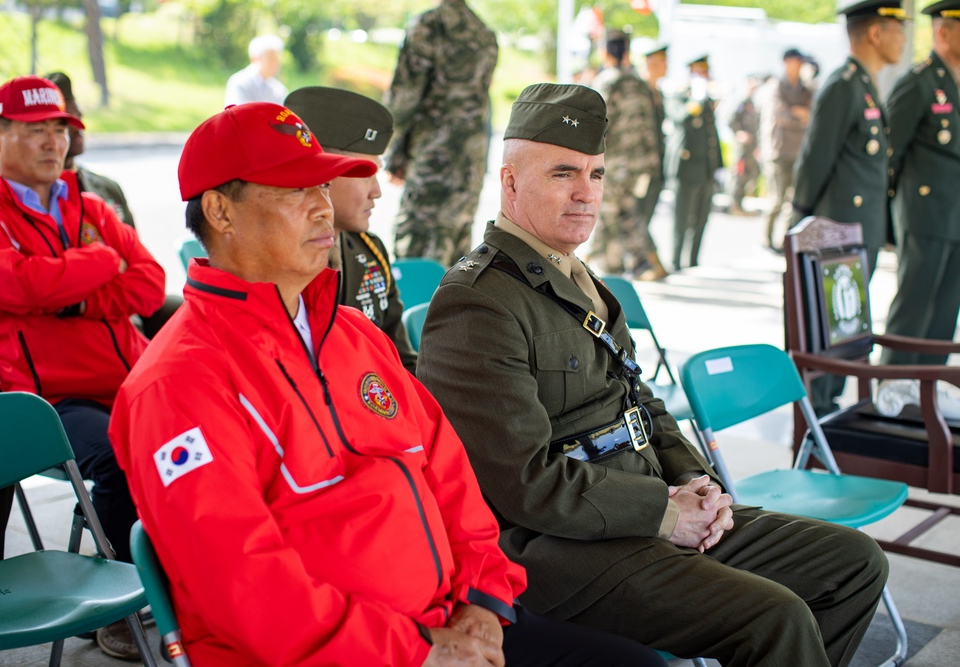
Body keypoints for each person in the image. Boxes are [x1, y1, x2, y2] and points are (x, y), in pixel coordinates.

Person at [108, 101, 665, 667]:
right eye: (293, 190)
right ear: (220, 212)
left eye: (322, 187)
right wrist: (418, 652)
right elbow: (243, 584)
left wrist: (482, 604)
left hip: (447, 622)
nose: (322, 208)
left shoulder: (353, 334)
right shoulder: (177, 382)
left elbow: (451, 478)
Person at [416, 82, 889, 666]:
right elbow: (524, 483)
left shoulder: (580, 278)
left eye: (597, 174)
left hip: (646, 510)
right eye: (564, 174)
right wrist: (665, 513)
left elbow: (642, 404)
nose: (586, 193)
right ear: (511, 181)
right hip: (561, 550)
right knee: (776, 617)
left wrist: (700, 486)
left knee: (854, 562)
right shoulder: (477, 302)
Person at [0, 75, 166, 659]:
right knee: (121, 457)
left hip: (132, 380)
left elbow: (147, 285)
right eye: (36, 129)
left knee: (207, 439)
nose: (53, 142)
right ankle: (119, 607)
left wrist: (68, 298)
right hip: (54, 399)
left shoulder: (88, 204)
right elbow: (13, 282)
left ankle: (181, 580)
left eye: (60, 129)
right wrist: (99, 262)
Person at [791, 0, 908, 415]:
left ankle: (833, 410)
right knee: (830, 328)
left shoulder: (866, 84)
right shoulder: (843, 85)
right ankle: (821, 416)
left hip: (861, 229)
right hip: (835, 229)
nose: (905, 37)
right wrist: (799, 214)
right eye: (898, 28)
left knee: (848, 327)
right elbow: (816, 158)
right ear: (876, 33)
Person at [285, 86, 418, 373]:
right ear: (323, 171)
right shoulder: (277, 261)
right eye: (365, 173)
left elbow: (400, 363)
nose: (377, 192)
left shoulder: (370, 251)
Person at [44, 70, 182, 340]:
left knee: (186, 313)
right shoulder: (35, 198)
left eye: (78, 115)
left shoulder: (106, 188)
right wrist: (108, 263)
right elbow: (55, 282)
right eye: (66, 122)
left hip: (127, 315)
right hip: (77, 327)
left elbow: (144, 273)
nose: (79, 125)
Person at [883, 0, 960, 366]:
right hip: (924, 217)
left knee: (943, 314)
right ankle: (892, 391)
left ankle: (927, 389)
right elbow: (888, 156)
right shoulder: (919, 82)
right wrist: (889, 221)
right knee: (914, 307)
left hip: (955, 216)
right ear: (943, 32)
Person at [385, 0, 497, 267]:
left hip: (434, 158)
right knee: (455, 254)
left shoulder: (429, 26)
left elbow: (404, 99)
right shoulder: (485, 34)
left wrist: (390, 149)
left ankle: (419, 310)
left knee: (417, 250)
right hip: (470, 162)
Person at [588, 29, 666, 280]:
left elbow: (598, 126)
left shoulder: (606, 82)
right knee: (627, 212)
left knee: (607, 215)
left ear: (605, 52)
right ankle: (644, 262)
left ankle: (611, 271)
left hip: (614, 165)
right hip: (639, 166)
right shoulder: (639, 84)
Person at [665, 55, 723, 270]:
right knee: (682, 219)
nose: (705, 77)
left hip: (706, 169)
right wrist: (696, 101)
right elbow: (681, 118)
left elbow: (711, 135)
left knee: (701, 219)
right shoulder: (681, 95)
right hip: (686, 169)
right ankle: (676, 261)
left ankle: (693, 262)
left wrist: (719, 166)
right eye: (700, 73)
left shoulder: (706, 99)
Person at [762, 48, 813, 252]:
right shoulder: (776, 86)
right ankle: (766, 239)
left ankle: (783, 241)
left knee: (791, 201)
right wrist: (798, 115)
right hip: (778, 150)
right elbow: (780, 114)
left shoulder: (804, 88)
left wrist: (800, 114)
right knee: (776, 198)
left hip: (797, 149)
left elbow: (811, 114)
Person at [638, 44, 668, 229]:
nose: (666, 66)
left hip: (656, 165)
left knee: (647, 215)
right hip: (641, 166)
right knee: (638, 216)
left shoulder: (658, 92)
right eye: (663, 62)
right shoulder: (639, 91)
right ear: (652, 64)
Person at [727, 75, 761, 216]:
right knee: (739, 174)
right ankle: (734, 205)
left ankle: (739, 204)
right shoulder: (741, 102)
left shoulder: (753, 104)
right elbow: (731, 120)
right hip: (741, 148)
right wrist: (739, 133)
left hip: (751, 147)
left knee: (748, 174)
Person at [224, 34, 287, 106]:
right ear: (255, 59)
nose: (276, 64)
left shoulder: (279, 89)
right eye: (271, 59)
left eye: (277, 60)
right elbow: (235, 114)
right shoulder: (239, 83)